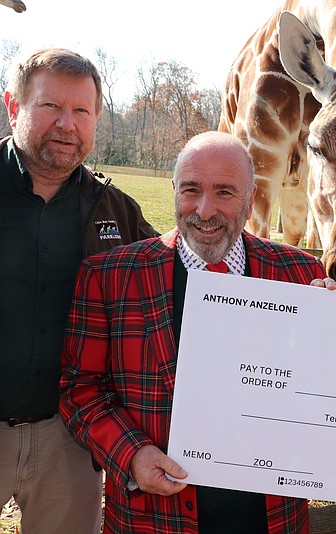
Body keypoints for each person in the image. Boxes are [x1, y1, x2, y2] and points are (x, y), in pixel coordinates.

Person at [59, 131, 324, 533]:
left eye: (224, 192)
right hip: (152, 518)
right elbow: (81, 391)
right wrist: (132, 455)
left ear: (251, 198)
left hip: (269, 518)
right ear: (173, 191)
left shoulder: (301, 276)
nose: (205, 209)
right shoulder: (110, 276)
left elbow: (326, 389)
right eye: (191, 190)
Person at [0, 47, 157, 533]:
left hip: (68, 441)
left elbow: (182, 272)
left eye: (82, 111)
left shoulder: (117, 211)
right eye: (50, 107)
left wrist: (300, 295)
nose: (67, 124)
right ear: (13, 105)